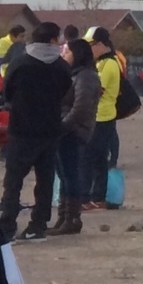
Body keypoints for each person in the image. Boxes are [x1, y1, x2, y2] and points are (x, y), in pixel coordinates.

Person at [0, 22, 71, 242]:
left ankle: (7, 224)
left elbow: (6, 92)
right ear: (53, 40)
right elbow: (66, 92)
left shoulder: (20, 62)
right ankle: (38, 225)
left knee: (13, 180)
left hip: (21, 128)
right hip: (50, 128)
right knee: (45, 180)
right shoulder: (61, 66)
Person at [52, 39, 100, 235]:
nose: (64, 55)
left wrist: (63, 125)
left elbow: (81, 107)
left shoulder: (86, 76)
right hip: (66, 129)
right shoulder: (74, 74)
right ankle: (63, 216)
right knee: (64, 174)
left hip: (73, 131)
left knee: (71, 174)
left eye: (67, 52)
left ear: (77, 53)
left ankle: (72, 218)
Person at [83, 27, 121, 209]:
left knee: (92, 158)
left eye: (90, 45)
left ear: (99, 44)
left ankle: (94, 197)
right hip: (100, 116)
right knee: (97, 158)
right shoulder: (102, 63)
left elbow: (97, 91)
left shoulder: (108, 64)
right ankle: (96, 197)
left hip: (102, 117)